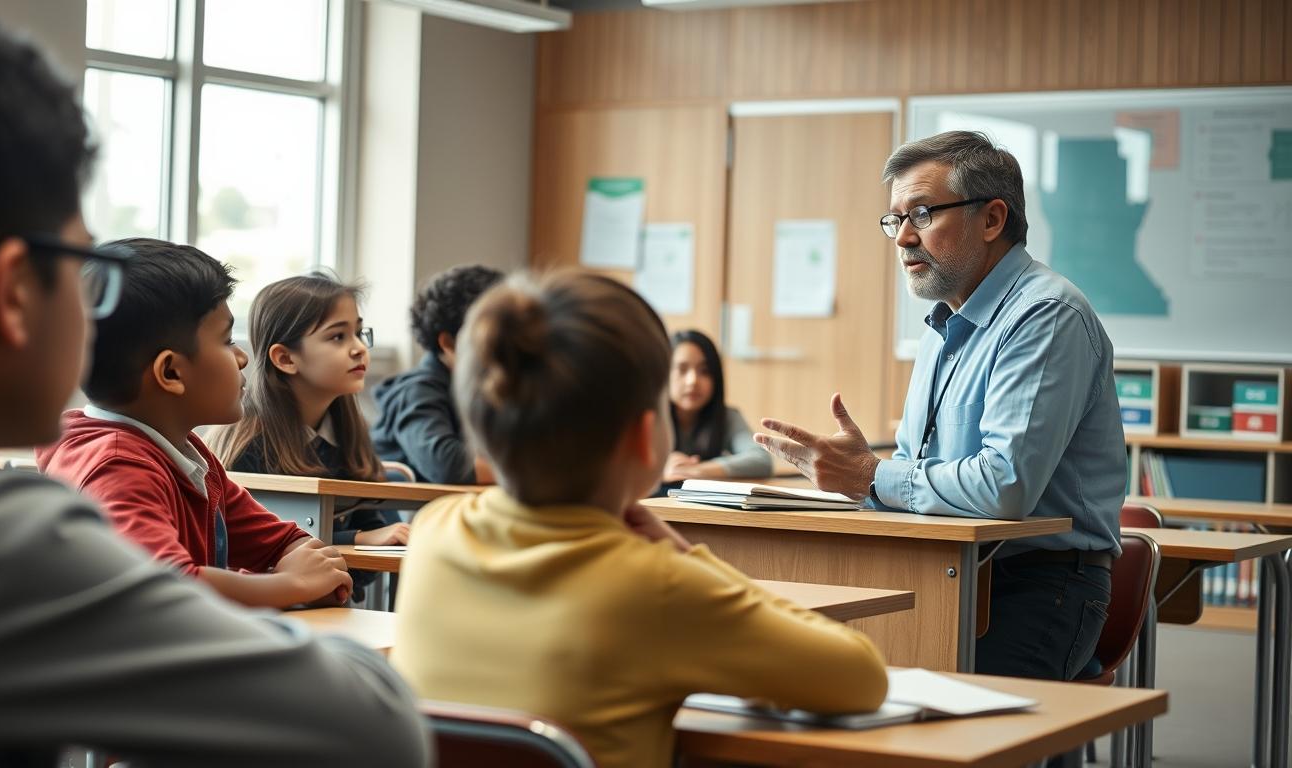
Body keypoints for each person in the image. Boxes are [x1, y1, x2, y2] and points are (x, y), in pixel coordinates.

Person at [0, 13, 428, 765]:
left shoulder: (190, 461)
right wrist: (276, 591)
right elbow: (374, 726)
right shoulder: (1, 543)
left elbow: (279, 546)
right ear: (12, 291)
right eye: (85, 273)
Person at [392, 270, 888, 768]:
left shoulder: (434, 531)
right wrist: (690, 559)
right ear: (646, 433)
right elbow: (862, 677)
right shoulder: (657, 584)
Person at [756, 130, 1124, 683]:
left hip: (1039, 585)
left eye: (922, 214)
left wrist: (872, 476)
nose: (903, 238)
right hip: (944, 571)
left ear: (992, 220)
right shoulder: (943, 323)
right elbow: (910, 472)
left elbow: (1004, 487)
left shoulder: (1046, 315)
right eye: (894, 220)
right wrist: (869, 478)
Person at [37, 238, 355, 610]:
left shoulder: (187, 453)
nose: (241, 358)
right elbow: (161, 587)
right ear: (171, 371)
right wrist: (292, 585)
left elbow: (286, 542)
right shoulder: (118, 464)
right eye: (225, 340)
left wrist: (302, 575)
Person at [210, 273, 410, 547]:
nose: (360, 348)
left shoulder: (348, 431)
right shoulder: (248, 446)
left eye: (359, 333)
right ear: (285, 358)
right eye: (338, 336)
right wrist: (357, 539)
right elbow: (259, 547)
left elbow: (373, 522)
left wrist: (372, 536)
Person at [370, 265, 502, 483]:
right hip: (413, 514)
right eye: (494, 336)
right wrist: (530, 474)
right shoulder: (415, 391)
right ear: (449, 343)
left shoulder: (486, 388)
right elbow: (447, 466)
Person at [663, 329, 772, 483]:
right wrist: (660, 470)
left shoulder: (727, 417)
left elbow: (760, 460)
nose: (692, 381)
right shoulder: (650, 416)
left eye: (704, 371)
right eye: (682, 369)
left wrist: (695, 470)